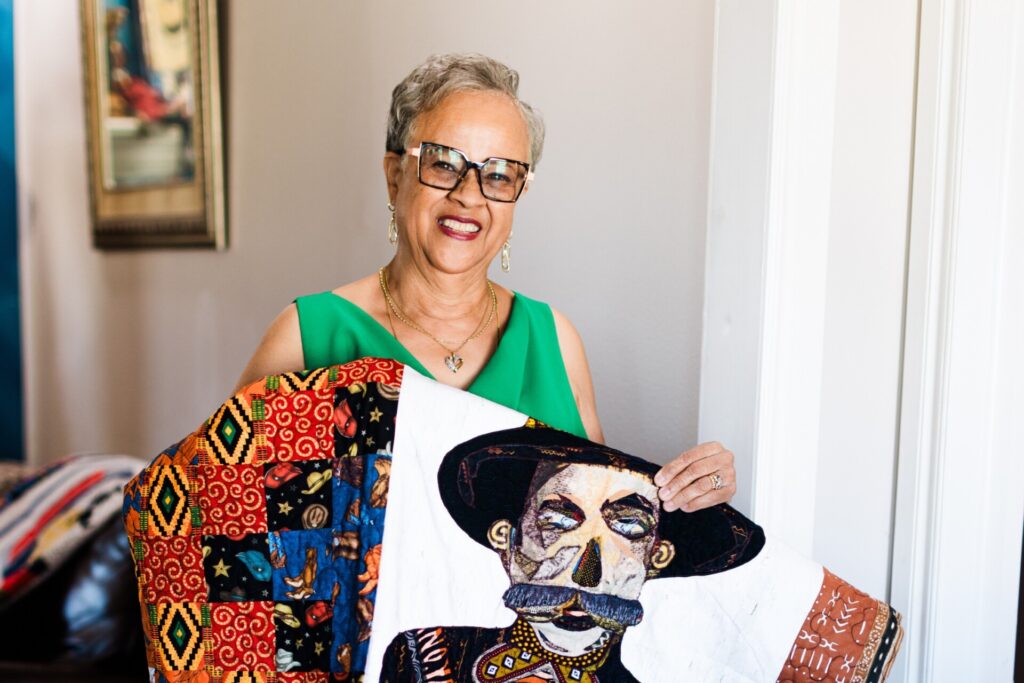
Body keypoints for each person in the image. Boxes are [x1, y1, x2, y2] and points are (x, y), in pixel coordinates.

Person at [235, 52, 736, 514]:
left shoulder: (554, 340)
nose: (469, 195)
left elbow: (595, 521)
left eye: (498, 175)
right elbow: (228, 519)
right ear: (395, 176)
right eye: (443, 163)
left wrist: (690, 494)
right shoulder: (307, 336)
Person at [379, 426, 763, 682]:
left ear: (656, 557)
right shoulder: (427, 658)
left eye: (628, 527)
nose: (586, 573)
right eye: (559, 521)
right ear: (507, 541)